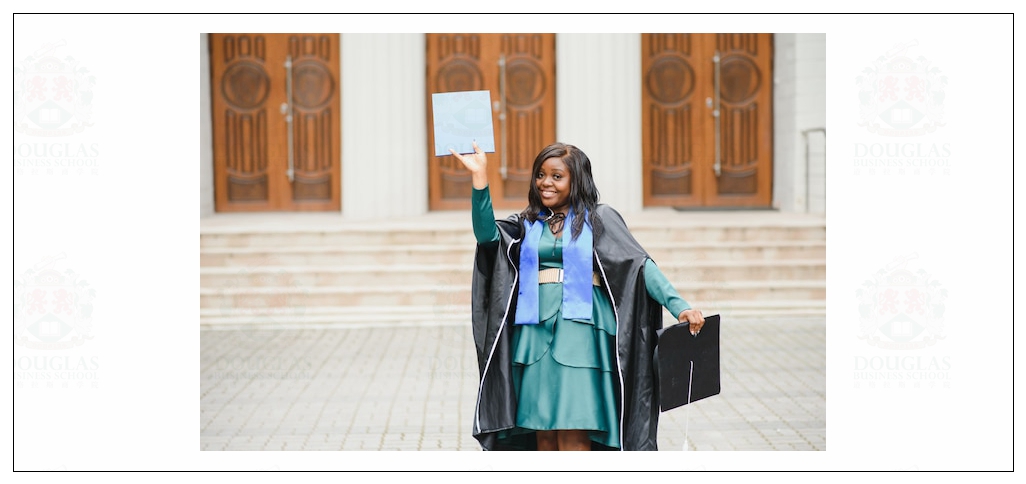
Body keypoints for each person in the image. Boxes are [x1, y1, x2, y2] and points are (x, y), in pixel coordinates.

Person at [451, 141, 705, 451]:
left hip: (583, 335)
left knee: (575, 431)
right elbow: (487, 236)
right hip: (533, 338)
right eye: (541, 175)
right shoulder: (527, 223)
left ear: (577, 179)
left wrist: (680, 307)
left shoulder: (600, 218)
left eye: (557, 176)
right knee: (541, 431)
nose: (546, 183)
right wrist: (480, 178)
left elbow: (640, 266)